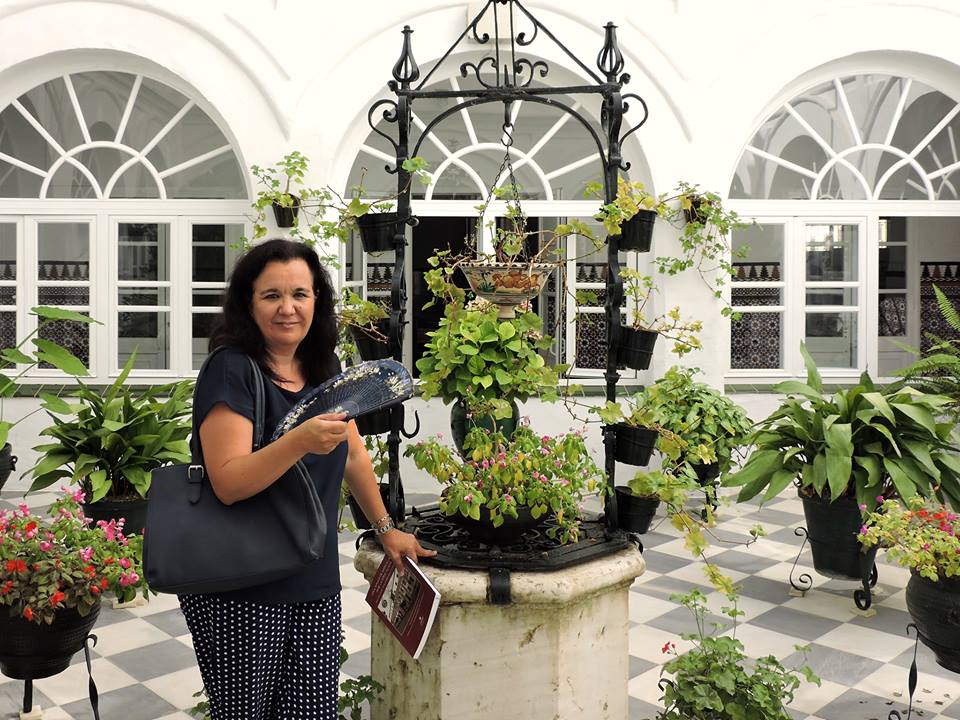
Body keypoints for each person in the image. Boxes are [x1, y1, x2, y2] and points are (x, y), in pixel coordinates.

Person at [179, 238, 433, 720]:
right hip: (242, 583)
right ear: (247, 304)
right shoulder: (232, 370)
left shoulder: (321, 367)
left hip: (311, 574)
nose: (288, 308)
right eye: (271, 295)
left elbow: (354, 454)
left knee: (312, 712)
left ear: (318, 299)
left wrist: (385, 529)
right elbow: (229, 481)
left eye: (300, 293)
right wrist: (298, 441)